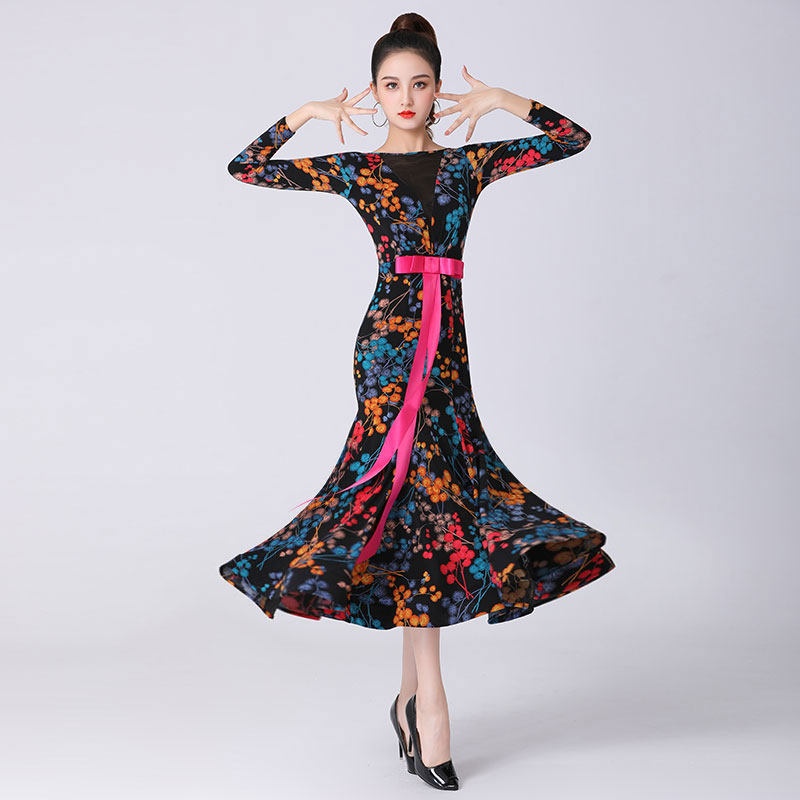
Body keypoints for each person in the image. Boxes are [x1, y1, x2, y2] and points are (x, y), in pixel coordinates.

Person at [218, 12, 615, 791]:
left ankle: (407, 698)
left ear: (437, 91)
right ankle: (430, 705)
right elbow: (247, 167)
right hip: (389, 350)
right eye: (391, 85)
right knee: (410, 503)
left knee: (435, 506)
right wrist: (306, 114)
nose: (405, 98)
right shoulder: (359, 169)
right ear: (374, 92)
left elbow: (571, 137)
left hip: (449, 355)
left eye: (420, 84)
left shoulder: (469, 165)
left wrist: (501, 99)